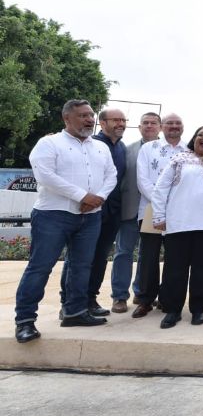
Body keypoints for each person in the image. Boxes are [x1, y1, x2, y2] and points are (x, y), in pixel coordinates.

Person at [15, 100, 117, 343]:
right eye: (83, 115)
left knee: (81, 266)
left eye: (91, 115)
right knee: (40, 267)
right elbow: (45, 175)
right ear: (66, 119)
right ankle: (25, 321)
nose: (89, 120)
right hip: (53, 216)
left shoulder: (101, 147)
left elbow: (111, 174)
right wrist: (82, 196)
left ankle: (74, 311)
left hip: (90, 217)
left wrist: (98, 198)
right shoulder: (49, 143)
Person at [152, 126, 203, 329]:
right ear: (194, 139)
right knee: (174, 270)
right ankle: (173, 311)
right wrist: (159, 215)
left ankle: (198, 310)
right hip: (178, 223)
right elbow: (160, 188)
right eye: (200, 135)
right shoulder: (179, 159)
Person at [60, 107, 126, 318]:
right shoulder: (92, 144)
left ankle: (90, 299)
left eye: (123, 120)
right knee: (78, 259)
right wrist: (89, 199)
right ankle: (68, 303)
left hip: (111, 212)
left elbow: (113, 178)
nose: (120, 124)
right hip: (85, 210)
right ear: (103, 123)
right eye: (115, 120)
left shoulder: (121, 147)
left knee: (99, 258)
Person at [132, 113, 186, 318]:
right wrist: (162, 203)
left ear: (183, 127)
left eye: (177, 123)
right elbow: (142, 181)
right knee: (148, 257)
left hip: (180, 213)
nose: (174, 126)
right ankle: (145, 300)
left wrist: (174, 204)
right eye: (169, 123)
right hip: (150, 210)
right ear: (162, 127)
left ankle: (167, 299)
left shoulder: (189, 149)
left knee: (175, 257)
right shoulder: (148, 149)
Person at [112, 112, 160, 313]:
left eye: (153, 123)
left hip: (155, 210)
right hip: (131, 209)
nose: (149, 126)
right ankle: (119, 296)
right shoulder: (127, 149)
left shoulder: (167, 150)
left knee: (147, 255)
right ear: (139, 127)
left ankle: (142, 293)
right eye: (145, 123)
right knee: (123, 252)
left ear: (160, 127)